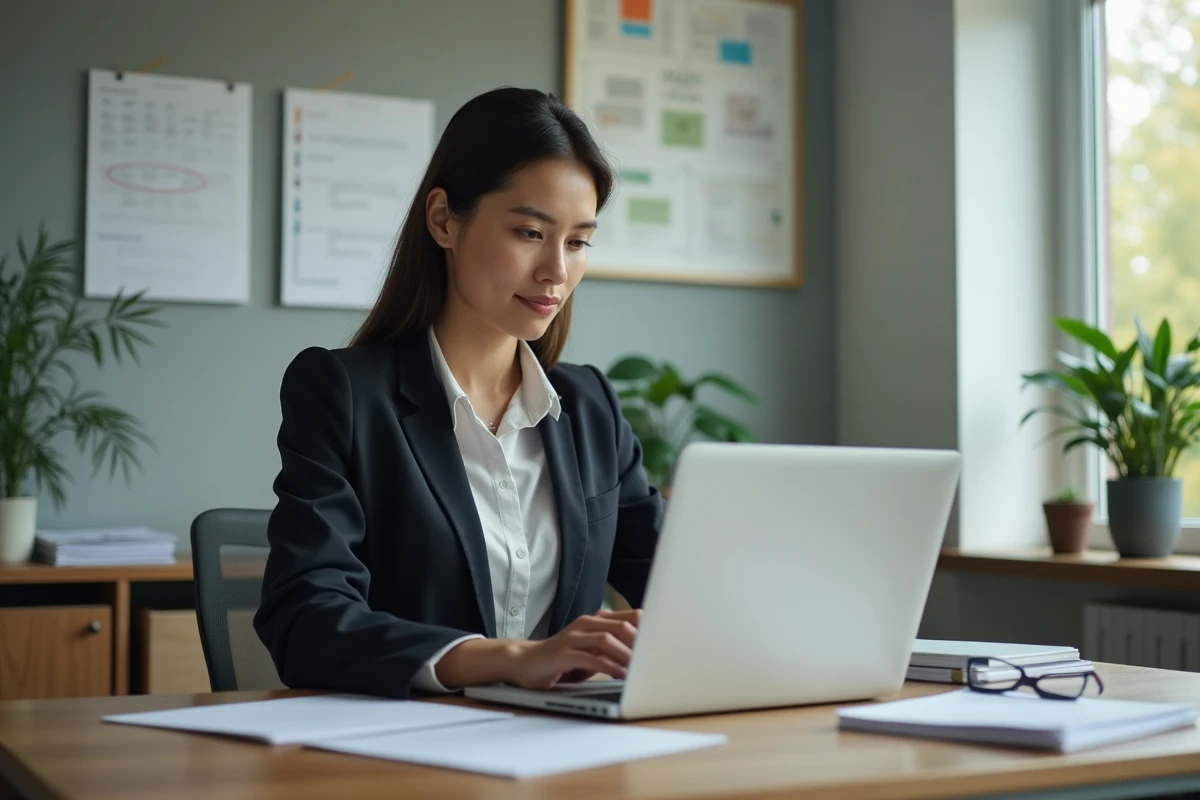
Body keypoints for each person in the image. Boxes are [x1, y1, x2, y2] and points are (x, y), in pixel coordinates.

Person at [253, 87, 665, 699]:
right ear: (444, 219)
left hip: (562, 750)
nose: (557, 269)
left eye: (578, 242)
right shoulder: (342, 393)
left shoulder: (588, 406)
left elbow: (683, 586)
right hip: (403, 755)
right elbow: (307, 619)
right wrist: (511, 658)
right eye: (530, 232)